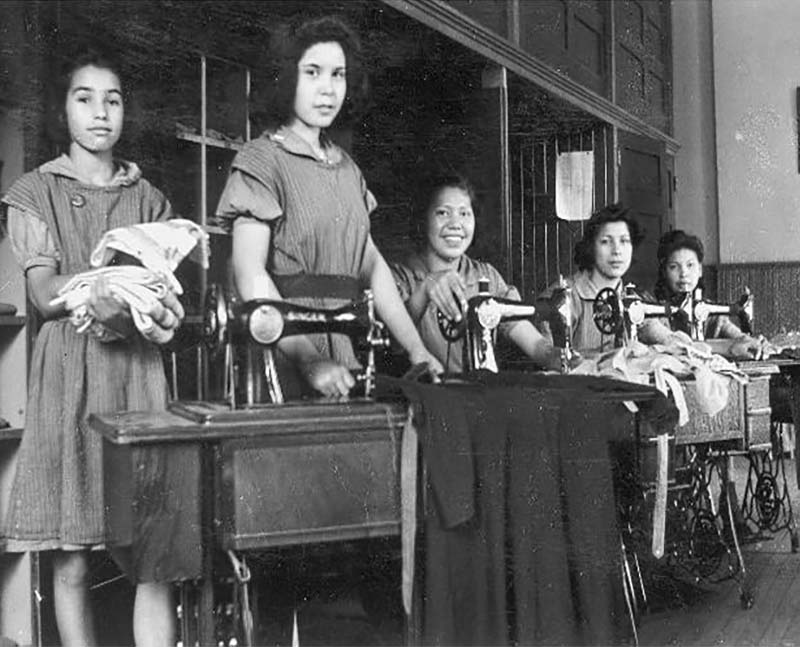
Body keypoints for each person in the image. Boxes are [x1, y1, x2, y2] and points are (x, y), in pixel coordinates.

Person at [0, 50, 184, 646]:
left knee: (151, 549)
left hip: (136, 375)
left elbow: (166, 295)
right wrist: (100, 288)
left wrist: (140, 305)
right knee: (72, 553)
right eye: (85, 98)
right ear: (62, 109)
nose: (101, 112)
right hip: (67, 375)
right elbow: (45, 294)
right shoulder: (34, 192)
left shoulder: (149, 198)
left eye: (113, 99)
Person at [215, 15, 441, 397]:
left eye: (338, 75)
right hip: (284, 354)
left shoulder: (349, 170)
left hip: (346, 354)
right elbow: (250, 274)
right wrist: (309, 359)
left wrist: (418, 349)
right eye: (313, 72)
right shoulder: (260, 160)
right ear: (287, 79)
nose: (328, 89)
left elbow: (371, 267)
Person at [391, 173, 562, 373]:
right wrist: (426, 290)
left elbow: (533, 344)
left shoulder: (486, 275)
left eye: (464, 213)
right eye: (443, 213)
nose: (456, 224)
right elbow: (392, 342)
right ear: (423, 218)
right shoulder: (399, 277)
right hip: (420, 395)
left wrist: (560, 357)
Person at [538, 203, 644, 355]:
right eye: (605, 242)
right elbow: (548, 356)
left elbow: (658, 332)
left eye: (624, 241)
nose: (617, 251)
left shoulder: (630, 297)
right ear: (591, 247)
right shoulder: (566, 296)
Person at [646, 229, 769, 360]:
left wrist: (753, 343)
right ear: (664, 272)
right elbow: (674, 343)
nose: (684, 273)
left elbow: (735, 335)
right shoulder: (650, 309)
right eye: (674, 267)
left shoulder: (709, 312)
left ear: (700, 270)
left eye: (690, 265)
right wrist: (729, 347)